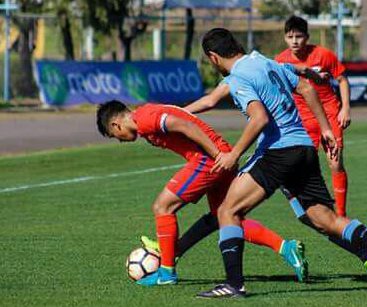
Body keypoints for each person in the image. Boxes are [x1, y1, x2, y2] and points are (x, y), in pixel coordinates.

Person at [184, 28, 367, 299]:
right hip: (304, 147)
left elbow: (259, 119)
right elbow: (305, 86)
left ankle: (234, 285)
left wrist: (234, 154)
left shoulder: (238, 78)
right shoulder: (264, 61)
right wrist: (325, 128)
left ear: (213, 57)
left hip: (278, 152)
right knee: (323, 218)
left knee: (227, 211)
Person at [96, 101, 307, 286]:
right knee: (225, 217)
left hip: (208, 160)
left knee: (163, 206)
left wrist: (218, 155)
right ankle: (285, 248)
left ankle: (167, 272)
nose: (120, 140)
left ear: (116, 125)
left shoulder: (144, 119)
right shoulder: (147, 116)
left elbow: (184, 125)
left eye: (116, 136)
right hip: (218, 157)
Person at [275, 15, 350, 217]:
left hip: (329, 112)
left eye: (299, 36)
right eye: (290, 37)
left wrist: (345, 109)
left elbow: (342, 80)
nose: (295, 41)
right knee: (301, 163)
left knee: (334, 162)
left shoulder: (323, 55)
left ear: (307, 37)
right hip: (302, 118)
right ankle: (310, 207)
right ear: (285, 38)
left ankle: (341, 214)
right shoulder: (280, 61)